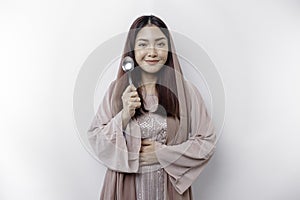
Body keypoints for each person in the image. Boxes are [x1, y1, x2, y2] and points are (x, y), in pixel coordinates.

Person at [87, 15, 216, 200]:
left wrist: (163, 155)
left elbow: (207, 141)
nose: (152, 52)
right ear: (132, 50)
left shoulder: (185, 91)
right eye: (143, 44)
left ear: (169, 49)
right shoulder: (117, 91)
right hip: (124, 188)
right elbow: (96, 139)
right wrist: (123, 116)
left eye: (160, 44)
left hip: (168, 190)